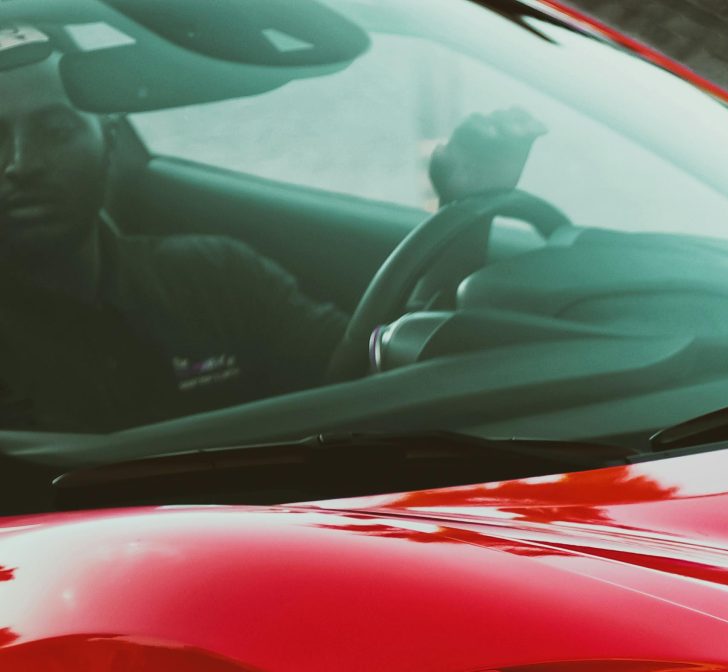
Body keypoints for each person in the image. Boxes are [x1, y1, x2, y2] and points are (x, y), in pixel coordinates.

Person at [0, 36, 543, 432]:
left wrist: (465, 210)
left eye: (54, 130)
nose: (21, 163)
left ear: (109, 141)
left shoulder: (214, 276)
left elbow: (378, 386)